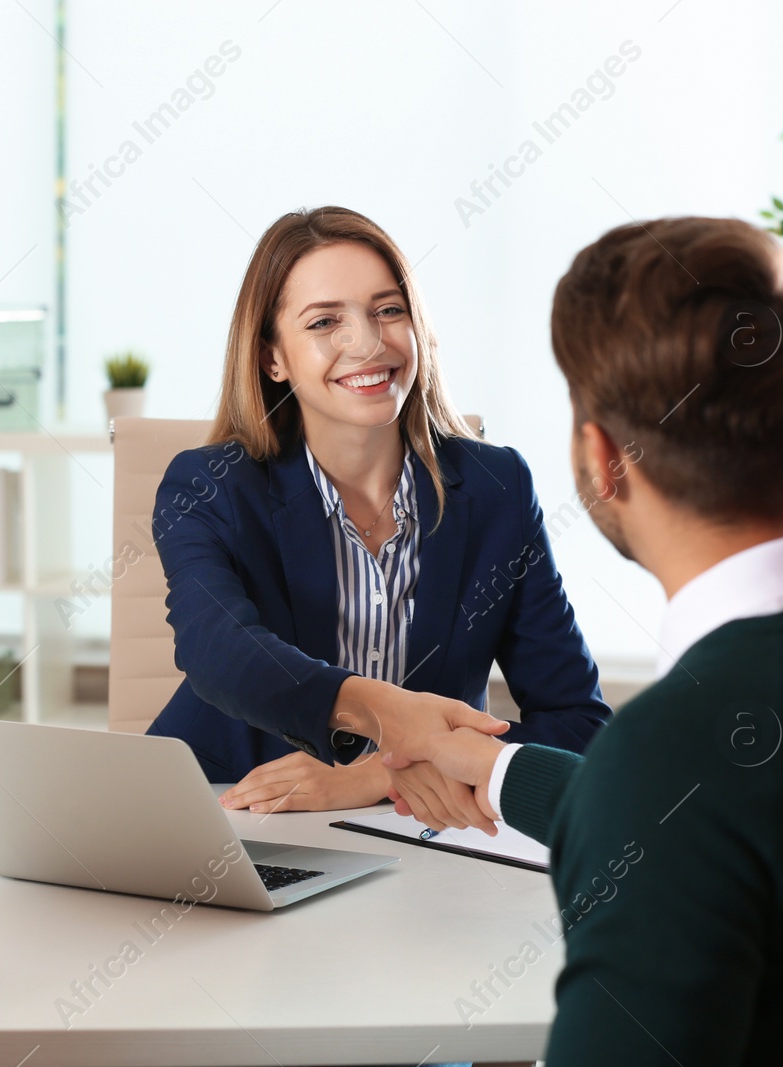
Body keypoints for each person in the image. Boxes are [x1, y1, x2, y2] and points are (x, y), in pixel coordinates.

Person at [385, 216, 783, 1064]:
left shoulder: (668, 760)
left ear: (602, 457)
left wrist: (626, 792)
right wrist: (503, 773)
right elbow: (732, 821)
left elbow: (689, 806)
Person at [148, 205, 609, 816]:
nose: (366, 343)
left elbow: (577, 722)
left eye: (388, 311)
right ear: (272, 358)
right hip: (227, 810)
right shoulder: (209, 485)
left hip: (412, 829)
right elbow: (220, 652)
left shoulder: (497, 487)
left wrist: (379, 776)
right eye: (324, 322)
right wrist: (391, 714)